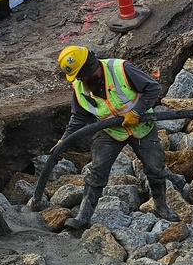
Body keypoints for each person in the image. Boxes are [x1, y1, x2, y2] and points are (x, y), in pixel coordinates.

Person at [56, 46, 179, 232]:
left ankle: (161, 206)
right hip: (109, 130)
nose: (79, 80)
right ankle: (83, 216)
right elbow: (79, 117)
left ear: (88, 69)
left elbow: (153, 88)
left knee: (155, 167)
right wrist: (64, 141)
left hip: (140, 127)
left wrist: (136, 112)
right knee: (97, 170)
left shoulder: (120, 69)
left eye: (80, 75)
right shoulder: (80, 86)